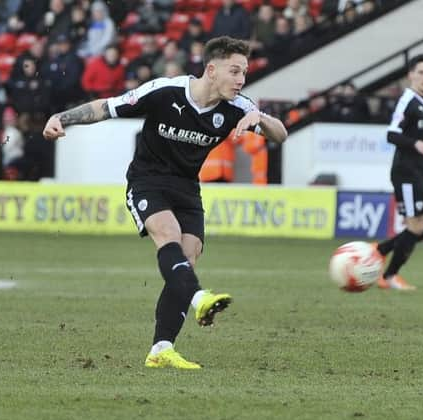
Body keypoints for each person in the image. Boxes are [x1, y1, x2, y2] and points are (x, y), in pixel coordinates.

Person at [42, 36, 288, 369]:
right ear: (212, 70)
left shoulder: (239, 107)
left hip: (188, 189)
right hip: (147, 181)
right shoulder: (165, 91)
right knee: (168, 234)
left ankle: (161, 348)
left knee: (188, 257)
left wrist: (259, 118)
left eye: (244, 72)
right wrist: (62, 117)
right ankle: (199, 297)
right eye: (235, 71)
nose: (241, 79)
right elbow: (107, 106)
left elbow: (281, 134)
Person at [375, 54, 423, 291]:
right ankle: (389, 276)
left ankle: (382, 250)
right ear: (411, 75)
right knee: (416, 226)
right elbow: (392, 134)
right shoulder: (407, 100)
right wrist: (416, 145)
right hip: (405, 173)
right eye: (421, 72)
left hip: (420, 172)